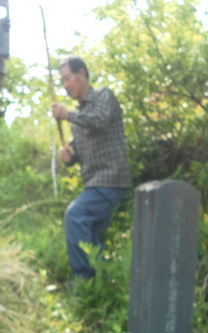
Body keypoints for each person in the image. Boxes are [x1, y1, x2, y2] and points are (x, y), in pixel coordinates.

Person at [52, 56, 132, 281]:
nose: (65, 85)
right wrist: (68, 156)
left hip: (111, 179)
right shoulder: (79, 115)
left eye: (68, 78)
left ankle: (84, 281)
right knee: (91, 234)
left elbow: (100, 120)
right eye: (62, 81)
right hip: (94, 183)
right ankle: (101, 283)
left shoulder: (103, 96)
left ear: (82, 74)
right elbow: (76, 150)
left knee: (75, 216)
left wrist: (67, 115)